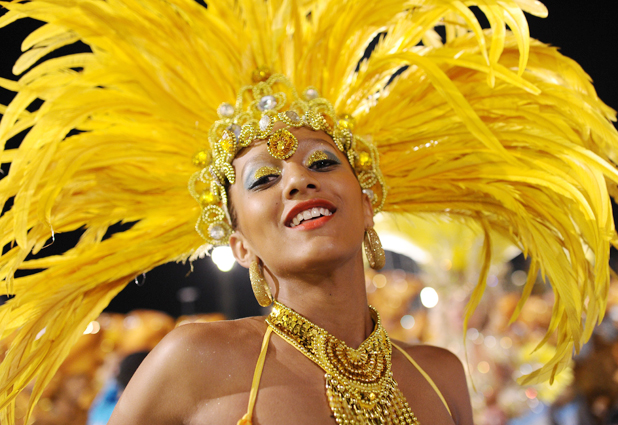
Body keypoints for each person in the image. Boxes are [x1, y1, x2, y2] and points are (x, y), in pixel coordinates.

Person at [1, 0, 618, 424]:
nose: (297, 179)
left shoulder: (440, 377)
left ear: (368, 201)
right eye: (265, 178)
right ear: (239, 242)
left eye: (323, 163)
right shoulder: (195, 362)